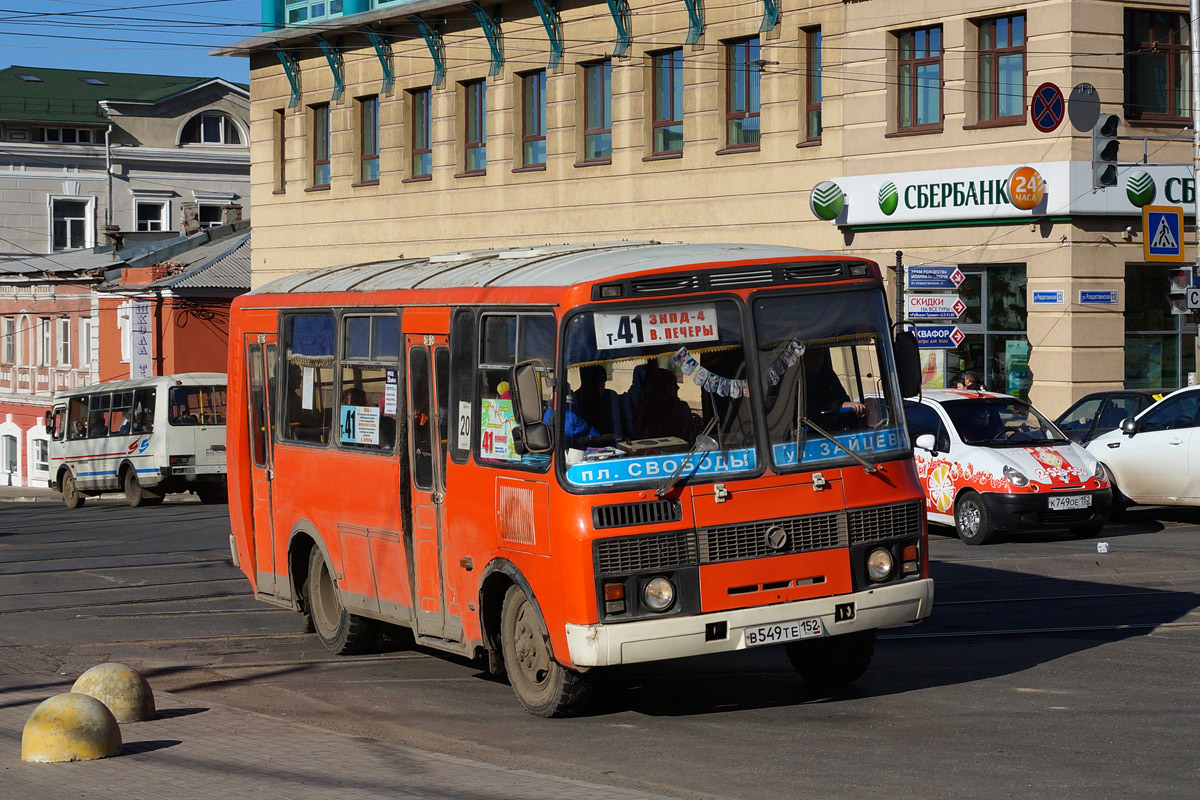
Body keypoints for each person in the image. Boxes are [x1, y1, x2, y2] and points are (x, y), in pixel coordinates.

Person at [803, 347, 866, 416]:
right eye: (812, 356)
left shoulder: (827, 374)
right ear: (803, 358)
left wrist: (854, 408)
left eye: (821, 355)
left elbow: (841, 397)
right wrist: (841, 405)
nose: (818, 360)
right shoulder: (797, 381)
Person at [573, 364, 621, 437]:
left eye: (602, 384)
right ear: (586, 382)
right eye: (596, 384)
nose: (600, 388)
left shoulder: (610, 396)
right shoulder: (576, 399)